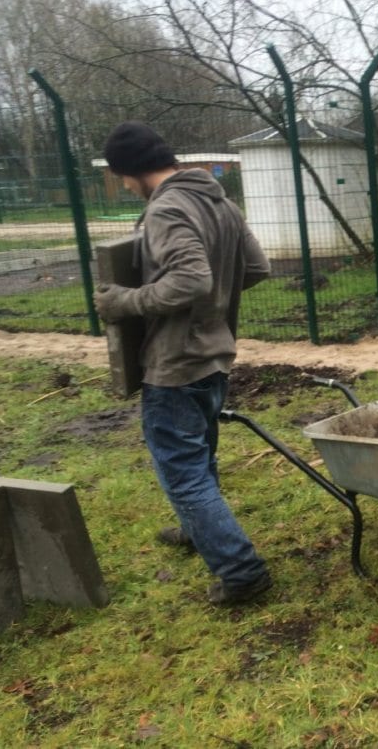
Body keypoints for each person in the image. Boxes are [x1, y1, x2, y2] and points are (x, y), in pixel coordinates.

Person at [94, 121, 273, 606]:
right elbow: (256, 268)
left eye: (122, 178)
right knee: (200, 457)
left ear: (131, 171)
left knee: (183, 474)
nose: (125, 187)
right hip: (215, 356)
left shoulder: (167, 208)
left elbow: (191, 280)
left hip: (176, 364)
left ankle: (241, 572)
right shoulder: (220, 202)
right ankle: (199, 531)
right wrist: (214, 305)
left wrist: (124, 302)